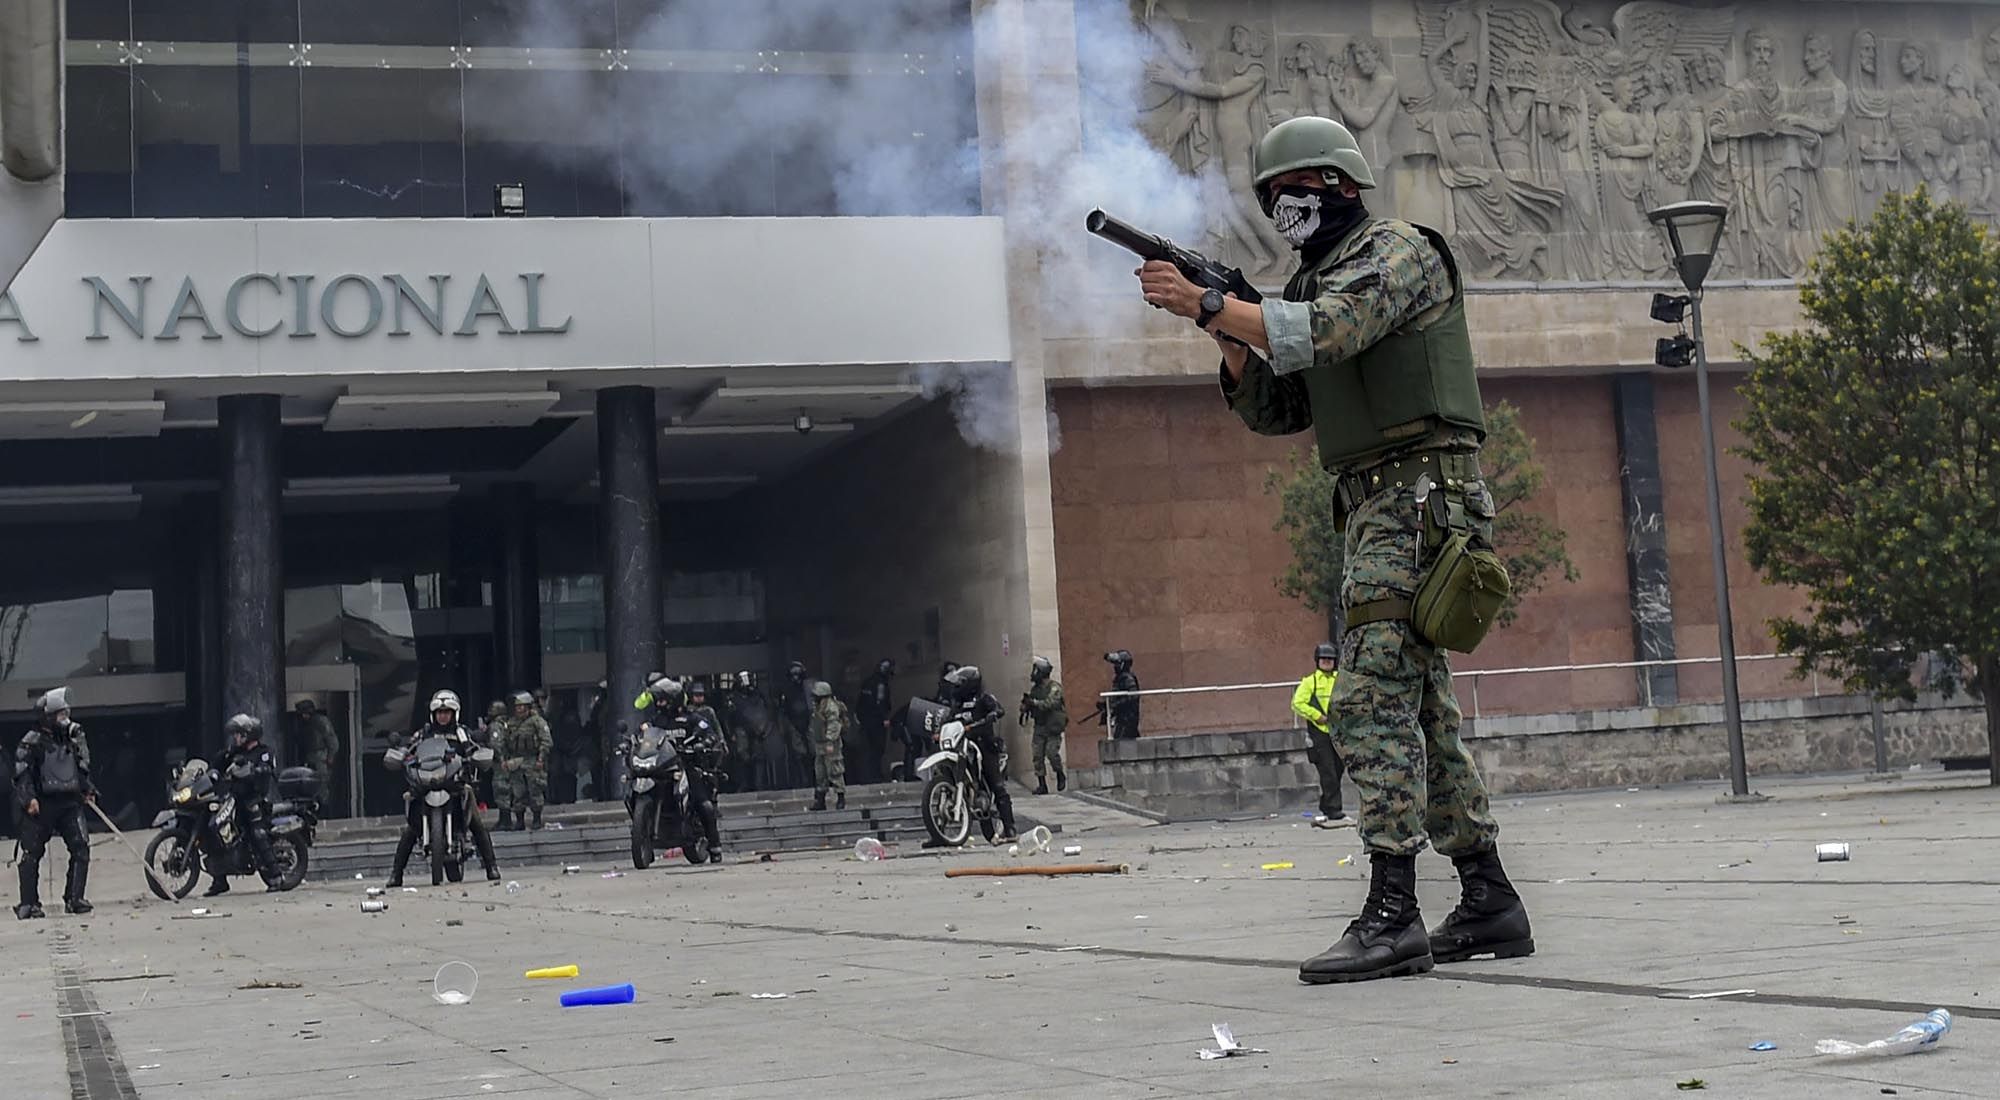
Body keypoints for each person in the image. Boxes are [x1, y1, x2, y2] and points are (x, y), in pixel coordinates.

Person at [1137, 114, 1531, 984]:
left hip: (1422, 498)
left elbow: (1331, 332)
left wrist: (1217, 302)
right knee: (1419, 707)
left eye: (1295, 189)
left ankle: (1393, 913)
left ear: (1340, 184)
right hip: (1378, 505)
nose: (1285, 206)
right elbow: (1286, 410)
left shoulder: (1395, 253)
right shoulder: (1310, 283)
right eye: (1272, 196)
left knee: (1364, 699)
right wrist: (1226, 338)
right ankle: (1489, 897)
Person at [385, 690, 500, 887]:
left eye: (447, 712)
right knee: (411, 829)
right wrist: (402, 756)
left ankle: (491, 866)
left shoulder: (462, 733)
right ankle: (396, 874)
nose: (443, 716)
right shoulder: (424, 733)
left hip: (455, 782)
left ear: (454, 713)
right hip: (428, 782)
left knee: (477, 822)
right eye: (439, 712)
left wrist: (476, 754)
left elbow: (474, 748)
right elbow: (410, 749)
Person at [13, 688, 95, 918]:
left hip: (69, 802)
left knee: (81, 848)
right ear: (47, 717)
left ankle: (74, 898)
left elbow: (81, 766)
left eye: (66, 714)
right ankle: (29, 903)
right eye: (60, 715)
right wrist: (29, 798)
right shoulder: (32, 741)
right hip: (42, 804)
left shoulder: (72, 739)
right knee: (31, 853)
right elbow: (22, 774)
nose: (65, 719)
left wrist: (87, 789)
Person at [638, 675, 726, 859]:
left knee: (705, 806)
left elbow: (708, 732)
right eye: (658, 700)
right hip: (662, 768)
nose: (660, 704)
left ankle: (715, 847)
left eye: (663, 700)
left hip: (686, 767)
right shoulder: (657, 720)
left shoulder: (692, 718)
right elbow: (645, 736)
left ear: (673, 700)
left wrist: (705, 742)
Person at [204, 714, 284, 896]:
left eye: (239, 734)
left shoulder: (263, 752)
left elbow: (266, 769)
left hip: (253, 800)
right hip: (232, 799)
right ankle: (219, 880)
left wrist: (250, 770)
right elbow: (217, 763)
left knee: (258, 834)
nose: (235, 738)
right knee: (215, 830)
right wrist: (212, 772)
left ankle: (276, 876)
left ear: (249, 734)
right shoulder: (233, 752)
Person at [945, 665, 1017, 842]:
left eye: (960, 683)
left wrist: (993, 715)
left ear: (970, 683)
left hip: (984, 746)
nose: (956, 687)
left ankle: (1010, 828)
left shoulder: (984, 698)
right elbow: (947, 720)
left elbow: (998, 709)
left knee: (997, 786)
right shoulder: (957, 705)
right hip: (962, 747)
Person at [1293, 643, 1352, 829]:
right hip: (1320, 733)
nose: (1327, 662)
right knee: (1327, 771)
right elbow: (1297, 703)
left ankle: (1326, 804)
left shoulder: (1340, 680)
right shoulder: (1310, 681)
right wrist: (1317, 716)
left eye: (1330, 659)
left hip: (1339, 731)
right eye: (1323, 659)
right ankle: (1334, 809)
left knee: (1338, 768)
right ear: (1317, 660)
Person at [495, 690, 552, 831]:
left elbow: (546, 741)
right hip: (517, 760)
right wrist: (503, 759)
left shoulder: (537, 721)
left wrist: (541, 759)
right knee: (517, 792)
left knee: (535, 790)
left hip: (533, 760)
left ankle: (537, 819)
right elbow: (503, 742)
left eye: (522, 706)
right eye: (517, 706)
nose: (519, 709)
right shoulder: (511, 723)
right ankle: (519, 821)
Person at [1020, 655, 1068, 795]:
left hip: (1053, 727)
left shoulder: (1054, 687)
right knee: (1037, 755)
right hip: (1040, 726)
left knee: (1051, 753)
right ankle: (1042, 785)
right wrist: (1025, 707)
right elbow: (1030, 705)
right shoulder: (1035, 689)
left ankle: (1059, 773)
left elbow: (1050, 703)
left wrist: (1033, 703)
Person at [853, 658, 895, 786]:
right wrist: (885, 718)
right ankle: (875, 776)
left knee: (866, 749)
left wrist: (859, 717)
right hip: (877, 722)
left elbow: (860, 703)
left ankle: (865, 777)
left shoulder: (867, 682)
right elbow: (880, 702)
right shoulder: (881, 684)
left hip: (865, 721)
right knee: (877, 749)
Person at [778, 661, 815, 789]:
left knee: (814, 752)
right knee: (799, 754)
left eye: (797, 674)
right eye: (793, 675)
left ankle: (816, 778)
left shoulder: (810, 686)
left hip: (810, 721)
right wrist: (785, 727)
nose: (795, 678)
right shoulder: (786, 690)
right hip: (794, 723)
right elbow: (782, 710)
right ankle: (803, 779)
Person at [293, 698, 339, 796]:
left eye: (303, 713)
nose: (302, 716)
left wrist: (330, 757)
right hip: (309, 758)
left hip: (320, 758)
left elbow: (332, 741)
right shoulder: (305, 724)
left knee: (321, 786)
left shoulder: (320, 721)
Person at [1104, 650, 1141, 739]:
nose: (1115, 667)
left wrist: (1116, 704)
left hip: (1128, 719)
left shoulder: (1127, 678)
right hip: (1123, 718)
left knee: (1121, 743)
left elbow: (1133, 695)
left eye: (1117, 664)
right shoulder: (1120, 677)